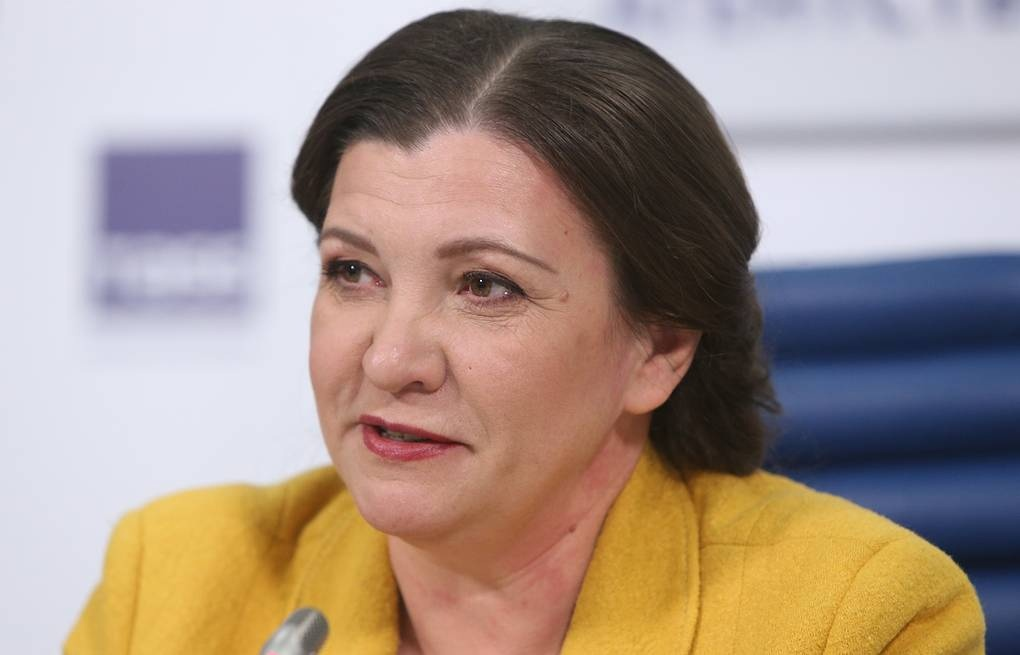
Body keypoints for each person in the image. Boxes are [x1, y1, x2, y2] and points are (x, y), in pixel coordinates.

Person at [66, 9, 984, 654]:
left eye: (484, 285)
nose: (390, 357)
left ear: (659, 348)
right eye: (353, 271)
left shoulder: (856, 617)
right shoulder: (174, 581)